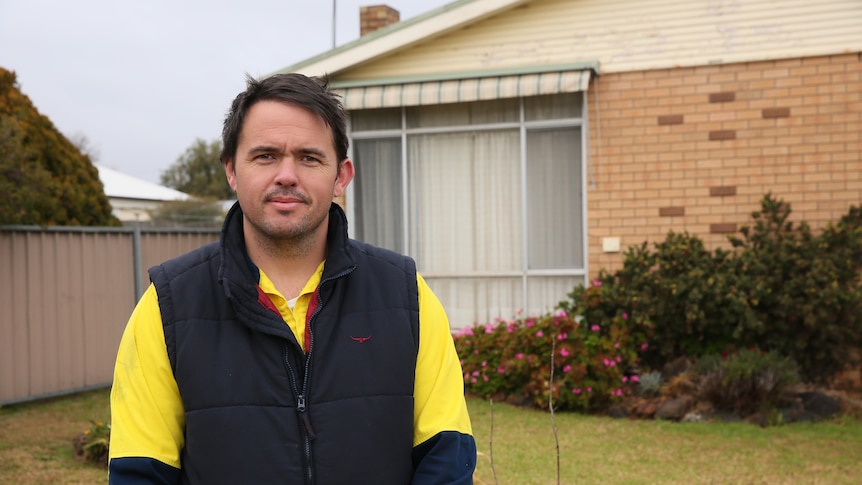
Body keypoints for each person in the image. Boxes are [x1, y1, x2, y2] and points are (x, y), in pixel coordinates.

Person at [108, 73, 476, 484]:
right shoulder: (168, 306)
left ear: (341, 176)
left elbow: (447, 461)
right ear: (232, 170)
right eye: (265, 156)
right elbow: (139, 474)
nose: (287, 175)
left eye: (309, 157)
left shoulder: (407, 295)